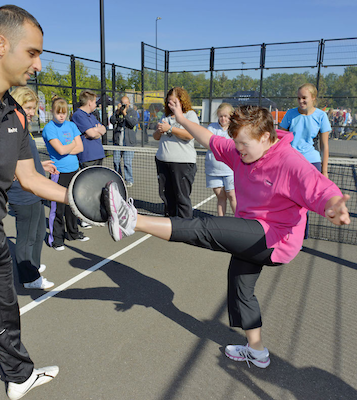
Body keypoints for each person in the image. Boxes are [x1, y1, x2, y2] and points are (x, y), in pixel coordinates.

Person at [103, 103, 350, 369]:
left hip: (276, 238)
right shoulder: (238, 153)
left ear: (265, 137)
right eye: (236, 142)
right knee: (240, 288)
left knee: (206, 229)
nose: (238, 149)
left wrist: (333, 206)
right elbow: (208, 138)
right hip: (252, 231)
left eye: (243, 143)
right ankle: (257, 351)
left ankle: (133, 221)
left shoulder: (290, 162)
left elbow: (321, 189)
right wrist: (180, 120)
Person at [0, 5, 78, 399]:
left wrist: (82, 199)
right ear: (0, 43)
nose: (39, 64)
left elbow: (30, 178)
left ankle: (19, 375)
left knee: (5, 316)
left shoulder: (16, 115)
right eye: (32, 53)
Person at [8, 86, 56, 290]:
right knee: (26, 238)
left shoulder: (22, 127)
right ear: (17, 104)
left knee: (37, 233)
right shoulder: (11, 128)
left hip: (34, 190)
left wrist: (40, 166)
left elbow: (25, 160)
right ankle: (29, 278)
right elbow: (9, 165)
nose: (31, 112)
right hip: (22, 194)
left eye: (33, 108)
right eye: (28, 107)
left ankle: (33, 266)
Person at [279, 83, 331, 238]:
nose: (301, 101)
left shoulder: (321, 116)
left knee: (305, 201)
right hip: (291, 161)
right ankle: (286, 231)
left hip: (311, 162)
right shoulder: (290, 114)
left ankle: (300, 235)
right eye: (298, 98)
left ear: (313, 98)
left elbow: (325, 146)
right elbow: (280, 138)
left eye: (304, 98)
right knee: (288, 199)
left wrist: (324, 171)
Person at [42, 97, 89, 251]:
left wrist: (66, 148)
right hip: (58, 172)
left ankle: (73, 233)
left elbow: (80, 147)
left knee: (73, 205)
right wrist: (70, 146)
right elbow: (60, 150)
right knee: (58, 208)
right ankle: (56, 239)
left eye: (64, 113)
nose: (61, 116)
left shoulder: (71, 125)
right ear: (52, 112)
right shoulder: (49, 128)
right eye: (58, 112)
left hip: (74, 170)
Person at [153, 87, 199, 218]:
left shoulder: (190, 115)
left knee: (182, 197)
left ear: (181, 101)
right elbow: (156, 137)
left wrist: (170, 129)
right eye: (169, 102)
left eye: (174, 101)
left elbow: (190, 134)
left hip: (182, 163)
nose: (170, 104)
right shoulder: (165, 117)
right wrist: (159, 131)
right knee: (167, 196)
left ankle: (186, 226)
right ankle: (170, 223)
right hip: (163, 161)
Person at [205, 103, 237, 216]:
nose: (223, 119)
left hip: (230, 170)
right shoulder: (211, 128)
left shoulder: (235, 129)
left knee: (232, 195)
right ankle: (221, 222)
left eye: (226, 116)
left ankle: (240, 221)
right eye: (221, 116)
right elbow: (208, 143)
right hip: (214, 170)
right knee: (221, 197)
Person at [71, 89, 106, 168]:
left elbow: (103, 129)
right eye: (94, 102)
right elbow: (92, 134)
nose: (95, 104)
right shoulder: (78, 115)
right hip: (88, 157)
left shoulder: (91, 115)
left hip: (98, 155)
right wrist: (95, 131)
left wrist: (95, 130)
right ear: (90, 102)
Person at [110, 96, 138, 187]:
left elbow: (132, 123)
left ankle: (129, 179)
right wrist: (117, 112)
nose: (124, 105)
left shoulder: (133, 112)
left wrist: (125, 114)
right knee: (116, 161)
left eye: (125, 103)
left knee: (127, 162)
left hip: (128, 142)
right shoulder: (117, 112)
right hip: (118, 142)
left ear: (129, 103)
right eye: (122, 103)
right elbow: (112, 121)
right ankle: (119, 178)